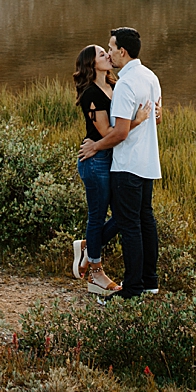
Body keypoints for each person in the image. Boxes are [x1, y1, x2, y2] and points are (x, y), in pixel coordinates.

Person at [78, 26, 162, 301]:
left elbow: (121, 132)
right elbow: (157, 117)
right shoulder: (150, 76)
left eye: (111, 48)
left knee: (132, 226)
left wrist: (95, 146)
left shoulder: (124, 84)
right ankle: (150, 282)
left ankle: (133, 288)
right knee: (144, 220)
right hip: (147, 162)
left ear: (122, 51)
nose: (109, 52)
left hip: (126, 164)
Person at [70, 44, 145, 296]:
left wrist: (152, 113)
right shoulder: (91, 93)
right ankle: (95, 274)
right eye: (102, 54)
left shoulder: (115, 87)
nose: (108, 55)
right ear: (92, 64)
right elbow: (108, 133)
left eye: (107, 51)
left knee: (124, 214)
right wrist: (138, 121)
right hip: (96, 162)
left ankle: (88, 246)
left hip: (112, 159)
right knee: (97, 215)